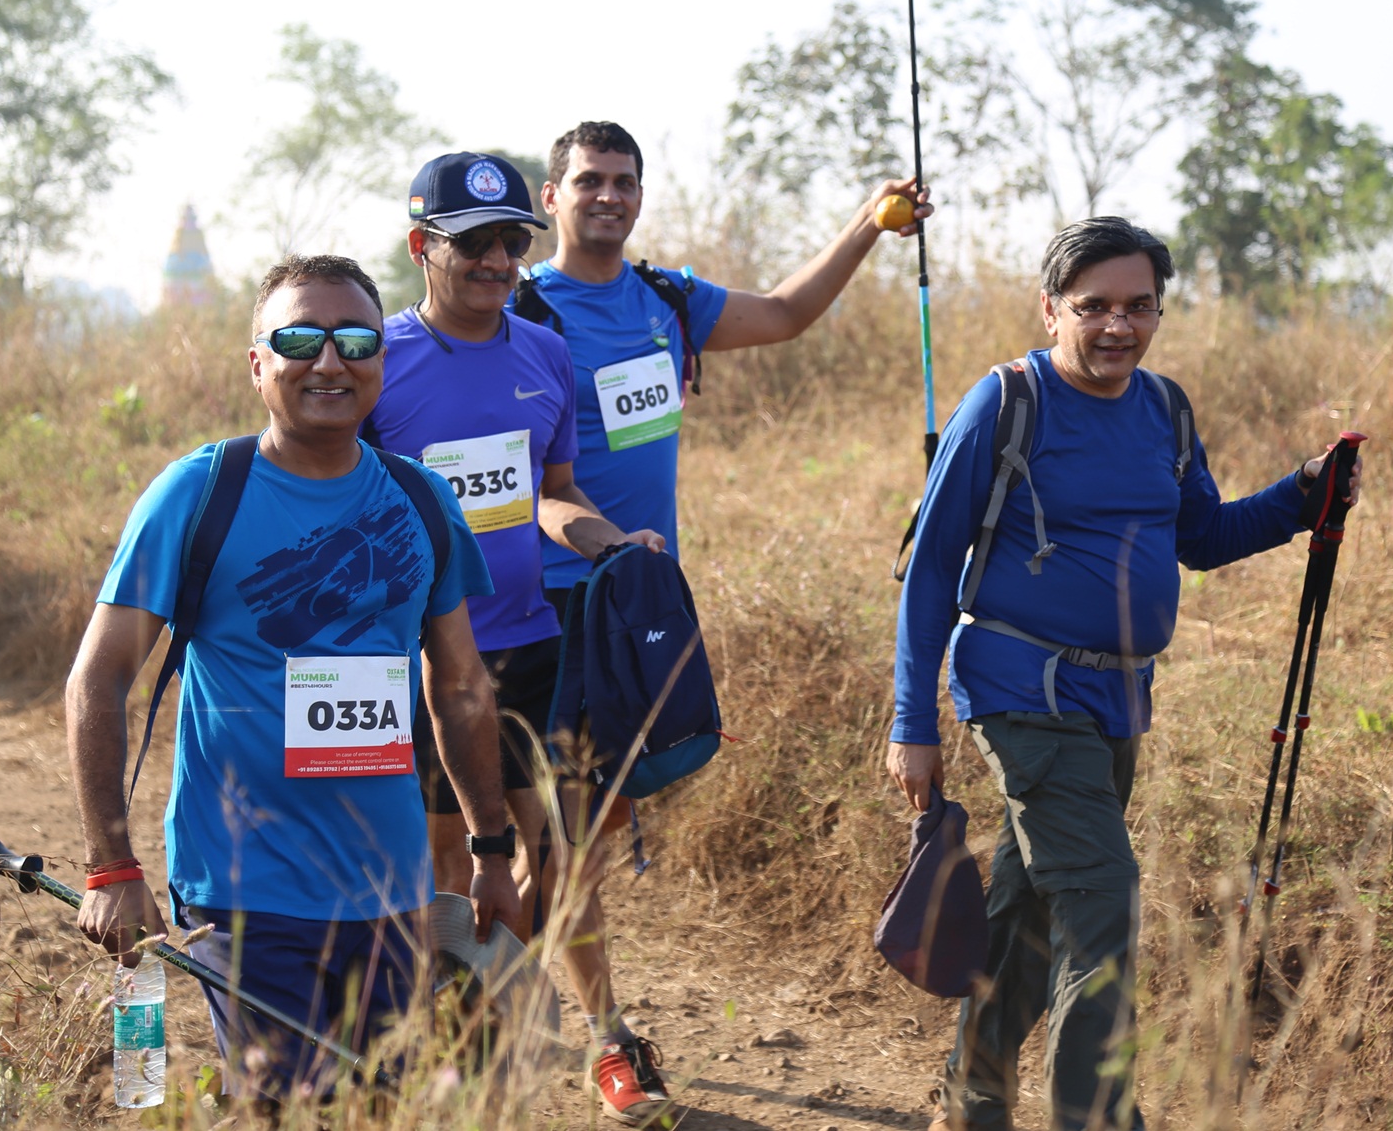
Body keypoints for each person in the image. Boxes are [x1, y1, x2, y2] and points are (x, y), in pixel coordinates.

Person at [887, 218, 1362, 1131]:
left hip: (1117, 699)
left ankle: (972, 1097)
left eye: (1138, 306)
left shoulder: (1164, 409)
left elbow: (1204, 537)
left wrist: (1304, 493)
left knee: (1028, 918)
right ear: (1050, 307)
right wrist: (913, 722)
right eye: (1094, 306)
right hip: (1020, 691)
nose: (1118, 325)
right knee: (1103, 908)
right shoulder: (1005, 402)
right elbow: (931, 570)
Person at [510, 119, 933, 1122]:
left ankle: (495, 992)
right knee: (552, 844)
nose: (606, 196)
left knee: (579, 837)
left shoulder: (667, 300)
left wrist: (872, 224)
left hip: (642, 614)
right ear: (549, 195)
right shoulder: (521, 309)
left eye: (622, 181)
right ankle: (597, 1037)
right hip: (538, 607)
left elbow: (786, 312)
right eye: (586, 181)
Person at [66, 254, 521, 1102]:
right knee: (296, 1104)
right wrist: (110, 866)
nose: (329, 361)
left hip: (389, 892)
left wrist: (492, 848)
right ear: (257, 363)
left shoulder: (422, 500)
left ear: (381, 359)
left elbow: (458, 686)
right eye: (299, 339)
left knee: (383, 1103)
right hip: (244, 888)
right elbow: (99, 678)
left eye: (355, 340)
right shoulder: (199, 492)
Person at [362, 150, 663, 942]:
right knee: (449, 870)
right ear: (420, 245)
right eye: (474, 243)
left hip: (530, 643)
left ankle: (509, 1019)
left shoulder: (547, 352)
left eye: (512, 242)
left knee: (553, 856)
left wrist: (614, 545)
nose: (498, 261)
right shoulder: (375, 362)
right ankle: (444, 1042)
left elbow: (551, 492)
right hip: (422, 659)